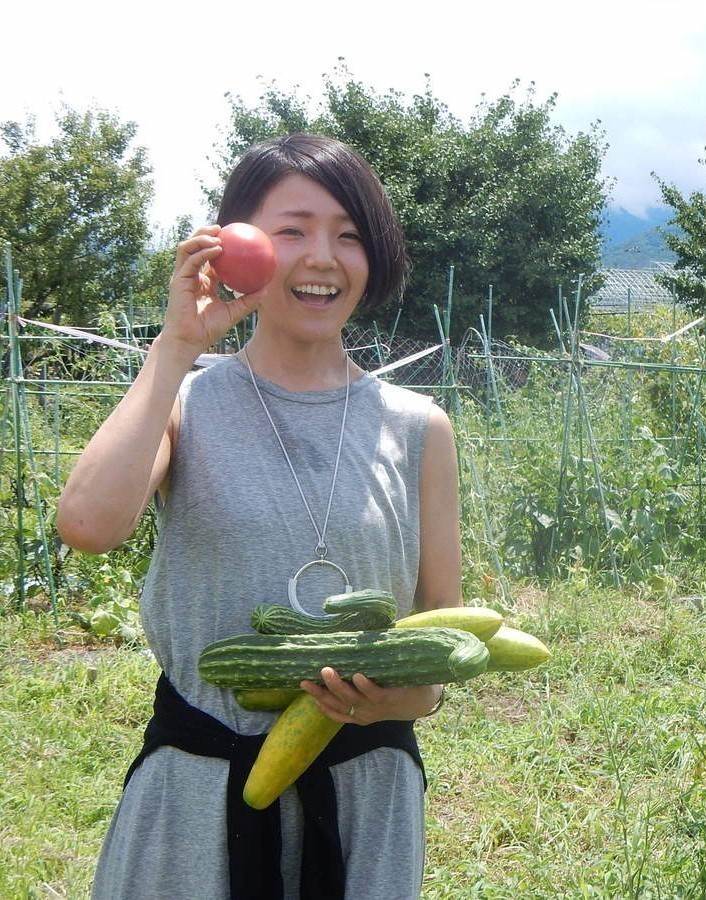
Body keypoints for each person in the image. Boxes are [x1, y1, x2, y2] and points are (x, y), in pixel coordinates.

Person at [56, 133, 463, 899]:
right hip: (198, 788)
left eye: (348, 235)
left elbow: (441, 625)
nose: (322, 256)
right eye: (292, 229)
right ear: (236, 246)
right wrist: (175, 345)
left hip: (364, 790)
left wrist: (413, 697)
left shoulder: (418, 428)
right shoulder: (184, 402)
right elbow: (87, 526)